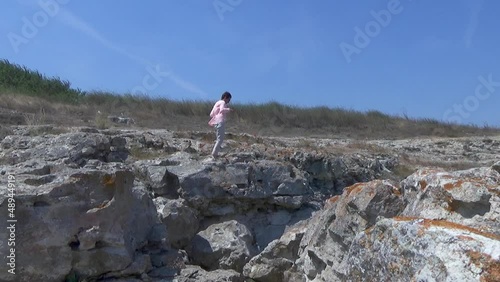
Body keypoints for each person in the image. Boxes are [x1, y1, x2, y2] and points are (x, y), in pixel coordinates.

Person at [208, 91, 232, 158]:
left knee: (218, 138)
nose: (228, 101)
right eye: (229, 99)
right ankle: (214, 154)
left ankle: (215, 152)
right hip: (220, 121)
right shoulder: (222, 102)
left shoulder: (217, 103)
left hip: (215, 123)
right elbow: (222, 110)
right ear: (225, 97)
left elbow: (211, 114)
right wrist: (229, 109)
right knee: (220, 139)